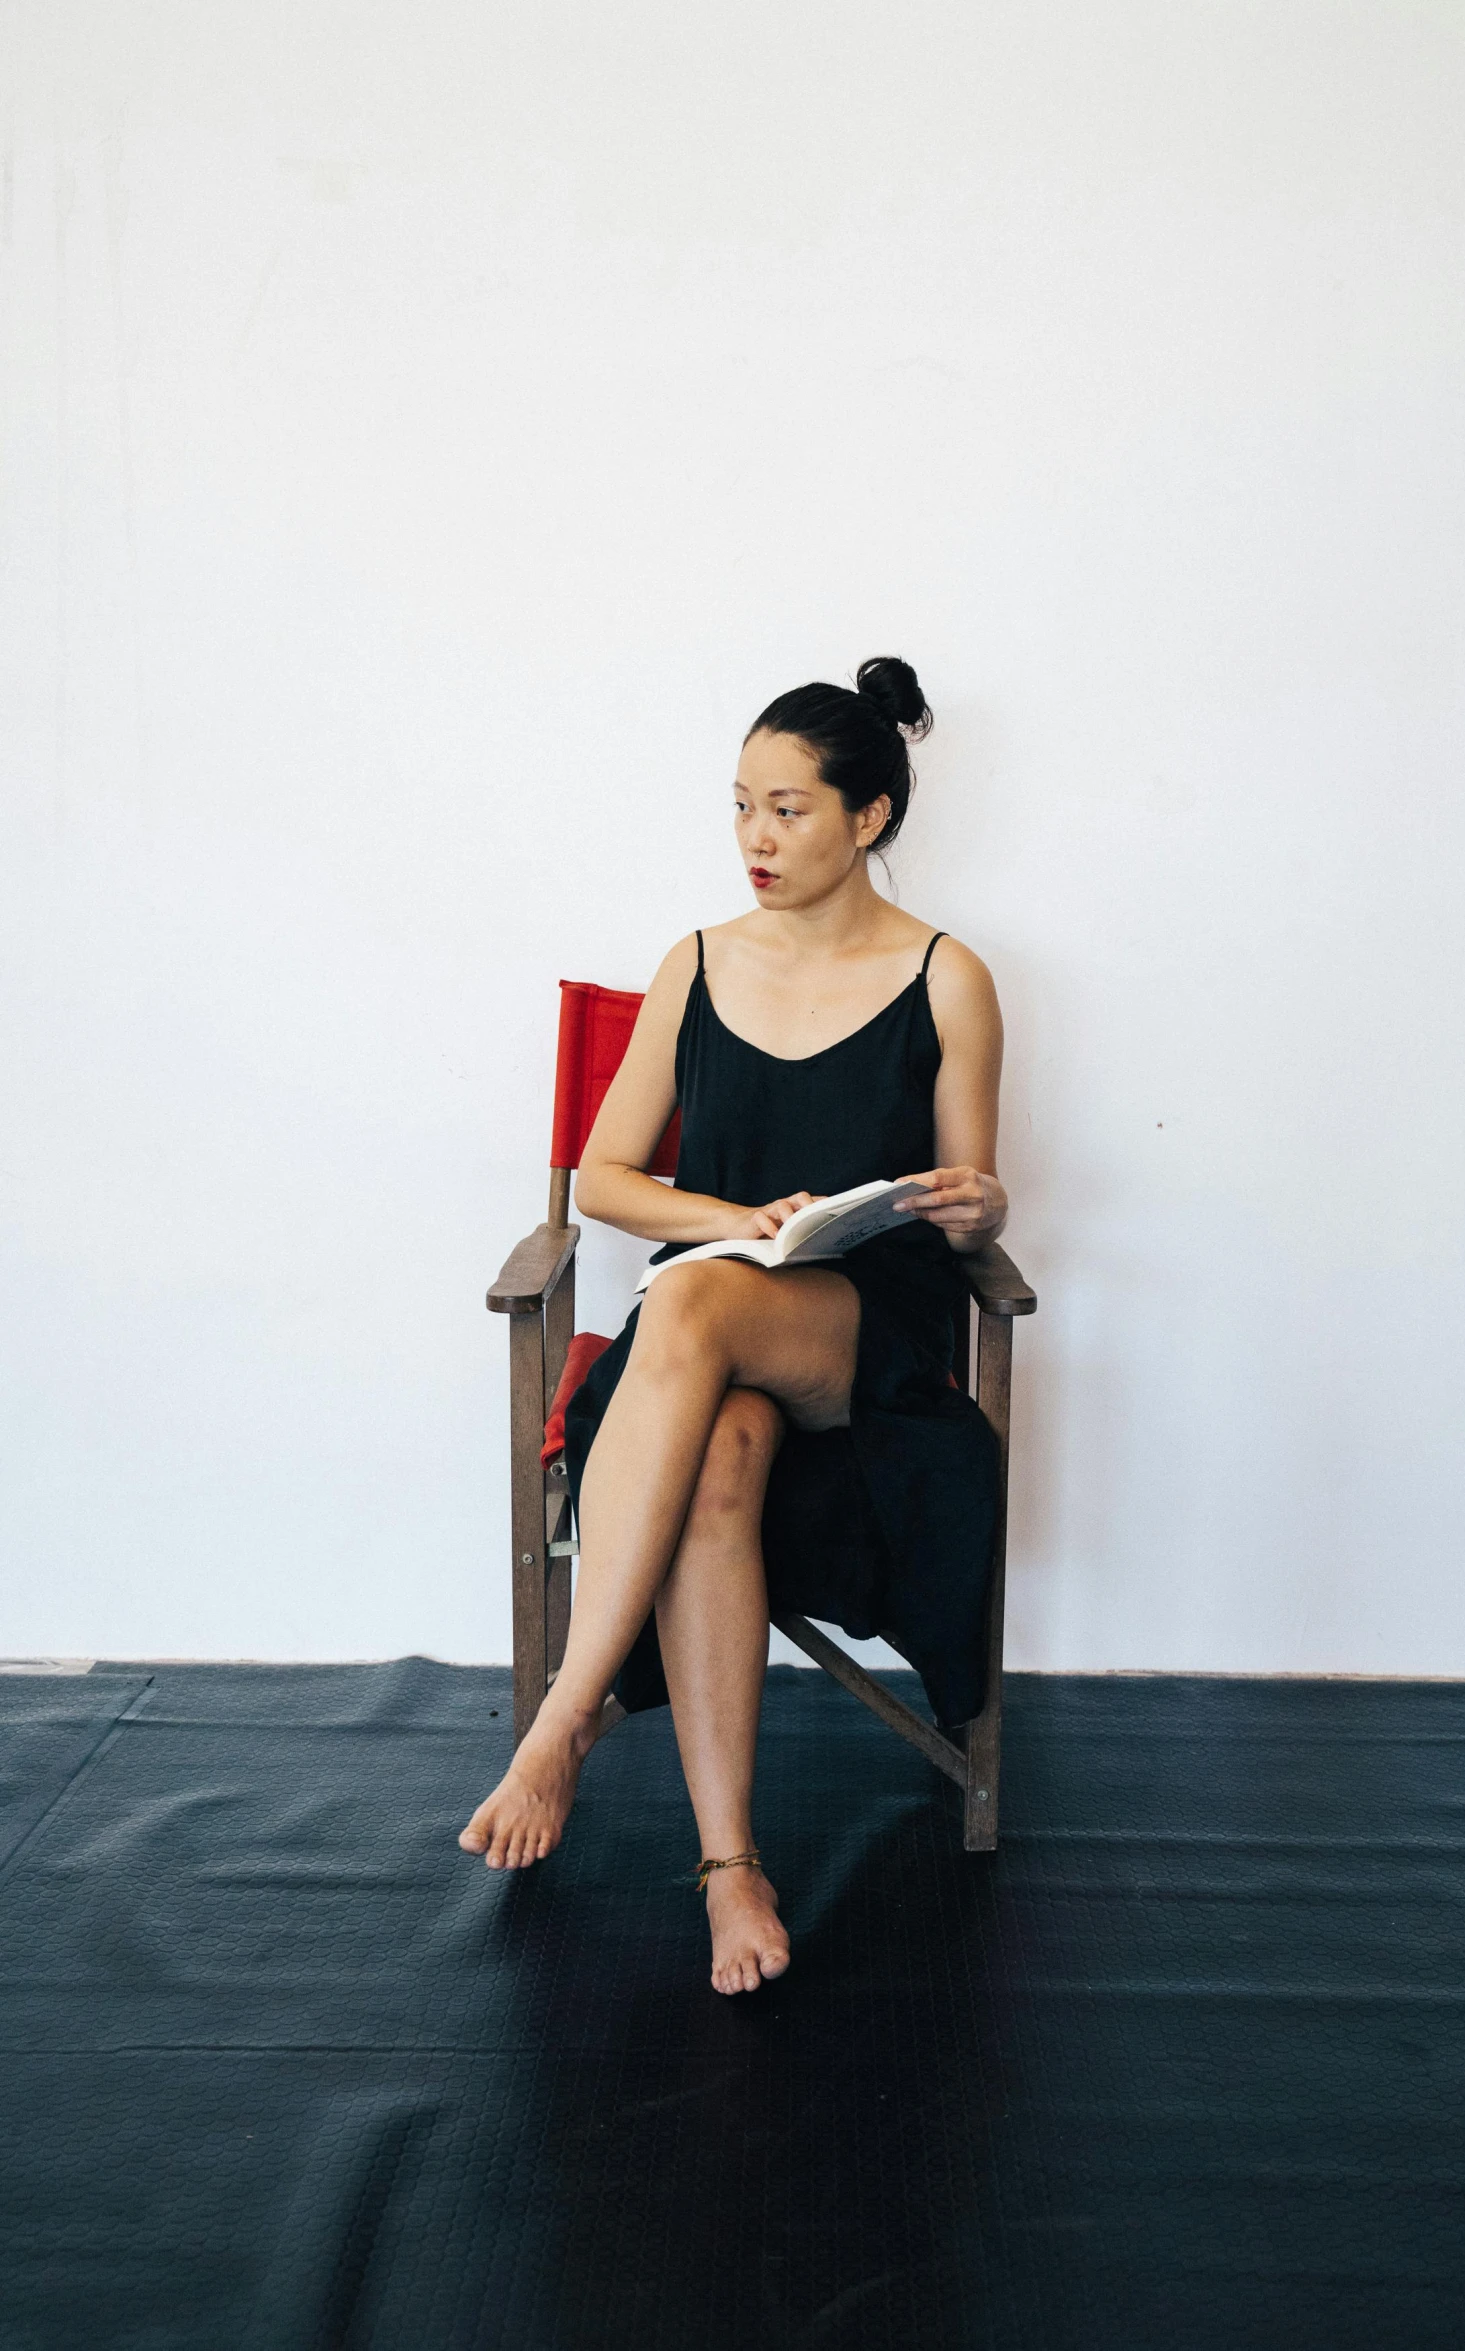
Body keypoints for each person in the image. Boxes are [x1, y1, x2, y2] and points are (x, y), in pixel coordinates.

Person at [459, 657, 1010, 1995]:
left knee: (695, 1290)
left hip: (864, 1334)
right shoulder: (694, 962)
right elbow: (604, 1180)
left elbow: (965, 1211)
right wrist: (738, 1214)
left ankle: (568, 1707)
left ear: (867, 817)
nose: (756, 839)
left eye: (789, 810)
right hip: (710, 1347)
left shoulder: (948, 976)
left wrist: (977, 1201)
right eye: (741, 808)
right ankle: (731, 1869)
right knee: (714, 1444)